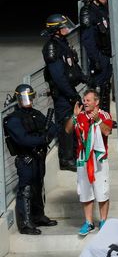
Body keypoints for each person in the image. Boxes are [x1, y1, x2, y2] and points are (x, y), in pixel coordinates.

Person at [3, 84, 59, 235]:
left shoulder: (35, 114)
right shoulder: (13, 119)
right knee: (26, 189)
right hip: (26, 158)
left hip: (38, 157)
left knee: (38, 186)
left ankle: (38, 215)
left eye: (30, 97)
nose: (29, 101)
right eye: (25, 98)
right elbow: (23, 140)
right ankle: (26, 223)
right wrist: (42, 138)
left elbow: (53, 128)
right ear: (19, 99)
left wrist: (45, 137)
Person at [64, 90, 113, 236]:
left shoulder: (104, 114)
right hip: (83, 158)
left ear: (96, 102)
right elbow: (67, 130)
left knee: (102, 191)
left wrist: (97, 119)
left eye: (88, 100)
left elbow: (107, 131)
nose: (85, 102)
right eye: (84, 100)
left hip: (99, 159)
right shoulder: (79, 116)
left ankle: (103, 221)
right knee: (85, 192)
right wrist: (74, 116)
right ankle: (89, 222)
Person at [41, 14, 83, 171]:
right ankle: (66, 159)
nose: (67, 28)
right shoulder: (52, 47)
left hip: (69, 91)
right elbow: (58, 77)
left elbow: (71, 66)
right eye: (63, 27)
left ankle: (73, 153)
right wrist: (71, 95)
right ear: (56, 31)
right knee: (66, 124)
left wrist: (82, 78)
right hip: (62, 94)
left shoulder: (62, 43)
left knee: (73, 122)